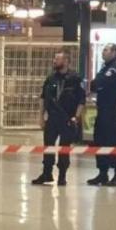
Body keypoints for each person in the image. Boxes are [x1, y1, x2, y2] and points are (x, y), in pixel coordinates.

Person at [32, 52, 86, 186]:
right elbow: (43, 98)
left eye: (57, 58)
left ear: (66, 61)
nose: (54, 60)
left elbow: (81, 100)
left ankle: (62, 176)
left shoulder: (75, 79)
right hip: (52, 118)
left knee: (64, 148)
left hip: (67, 118)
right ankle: (47, 173)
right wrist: (41, 117)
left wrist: (76, 117)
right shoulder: (50, 78)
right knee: (48, 147)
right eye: (54, 58)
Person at [88, 43, 116, 187]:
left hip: (112, 111)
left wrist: (97, 84)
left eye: (106, 50)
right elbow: (94, 85)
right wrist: (97, 84)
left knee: (113, 143)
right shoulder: (105, 67)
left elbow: (100, 82)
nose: (103, 52)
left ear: (114, 52)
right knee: (99, 141)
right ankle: (102, 173)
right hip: (102, 110)